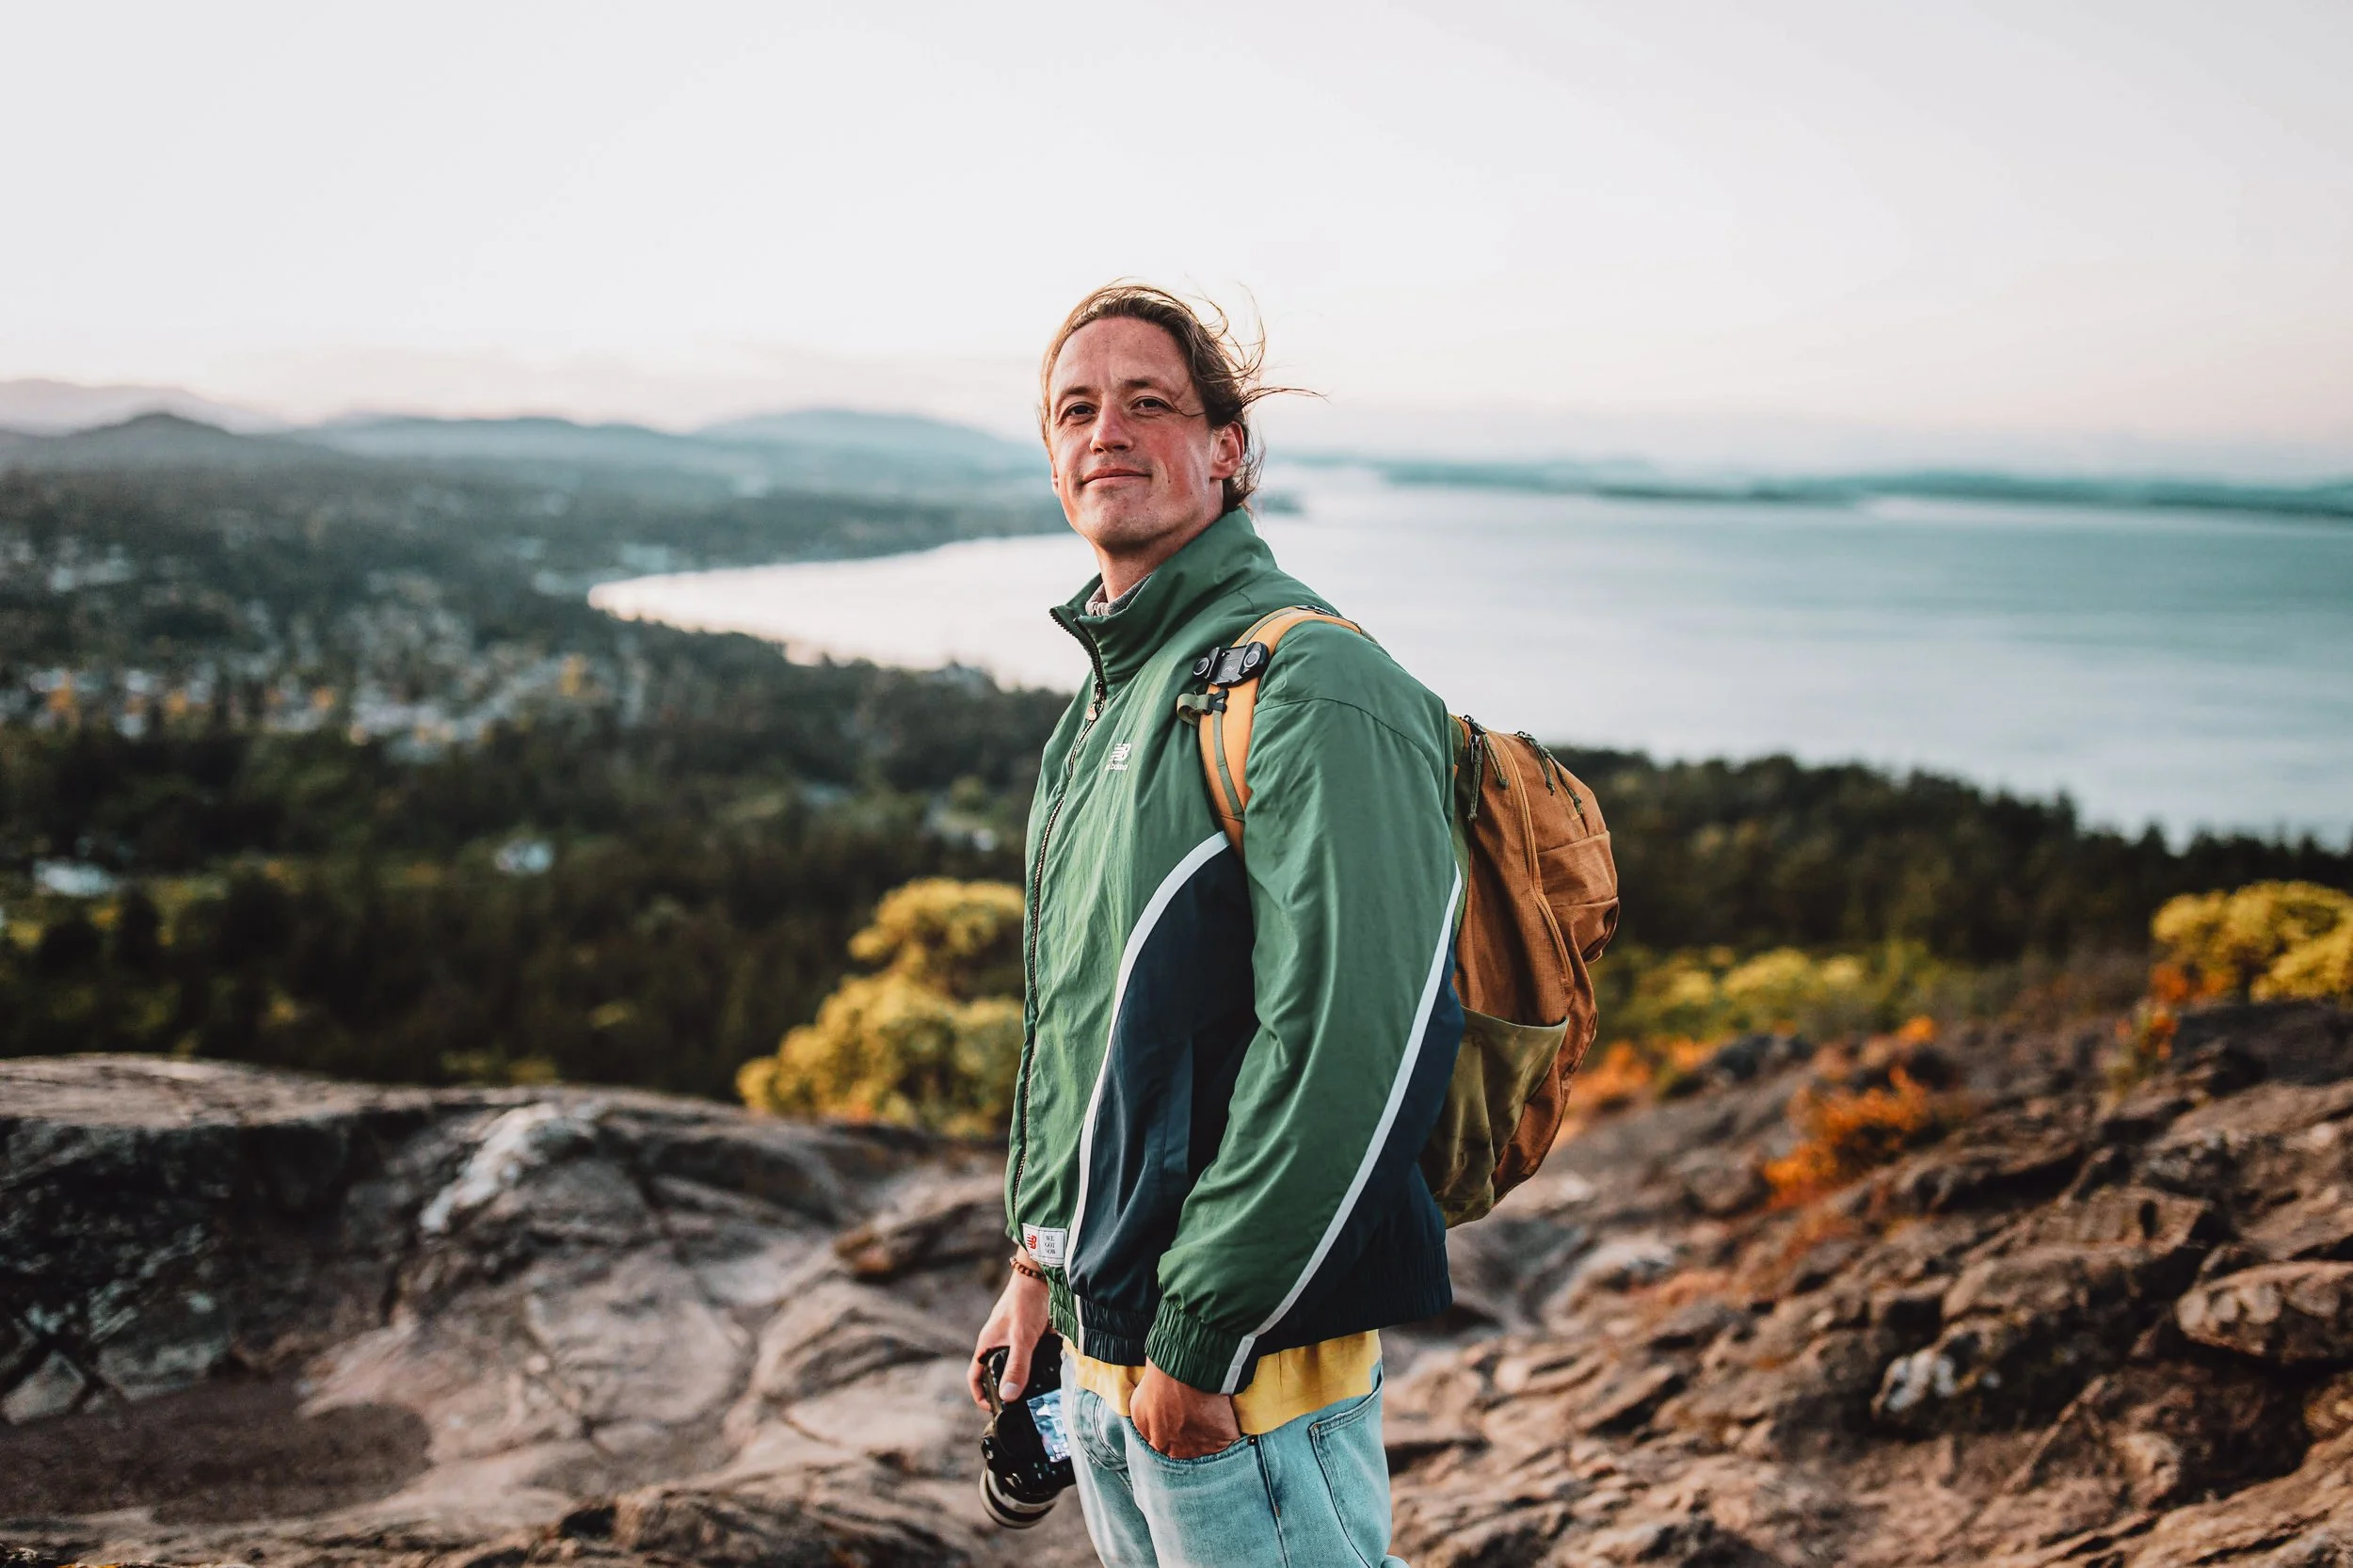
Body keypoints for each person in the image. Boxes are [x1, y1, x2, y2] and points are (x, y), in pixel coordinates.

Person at [968, 282, 1464, 1568]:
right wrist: (1038, 1269)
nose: (1106, 432)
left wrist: (1206, 1338)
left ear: (1226, 449)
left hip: (1242, 1376)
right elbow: (1079, 1028)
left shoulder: (1314, 679)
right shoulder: (1103, 709)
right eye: (1076, 409)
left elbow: (1352, 1045)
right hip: (1110, 1357)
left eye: (1149, 402)